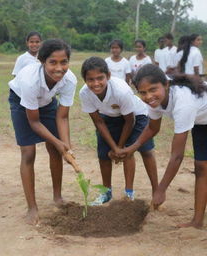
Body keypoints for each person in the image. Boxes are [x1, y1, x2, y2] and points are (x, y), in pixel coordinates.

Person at [120, 64, 207, 229]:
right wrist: (133, 147)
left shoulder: (183, 102)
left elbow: (177, 156)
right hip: (202, 120)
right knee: (201, 167)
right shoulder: (155, 101)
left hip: (200, 117)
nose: (148, 96)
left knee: (202, 166)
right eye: (143, 92)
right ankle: (197, 221)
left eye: (153, 89)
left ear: (166, 84)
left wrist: (160, 189)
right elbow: (152, 128)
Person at [8, 39, 77, 225]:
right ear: (42, 62)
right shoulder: (31, 81)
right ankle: (32, 207)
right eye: (53, 62)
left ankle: (57, 197)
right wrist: (57, 141)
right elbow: (34, 122)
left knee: (56, 150)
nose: (59, 68)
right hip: (21, 102)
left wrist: (66, 146)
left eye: (64, 62)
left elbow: (62, 117)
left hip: (46, 103)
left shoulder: (70, 79)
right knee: (29, 153)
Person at [79, 57, 158, 205]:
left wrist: (120, 148)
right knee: (103, 155)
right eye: (90, 79)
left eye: (100, 78)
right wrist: (114, 148)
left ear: (108, 76)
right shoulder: (84, 93)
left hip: (137, 115)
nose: (96, 83)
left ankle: (133, 193)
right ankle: (106, 192)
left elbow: (129, 121)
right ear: (84, 79)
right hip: (108, 117)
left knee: (137, 151)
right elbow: (98, 121)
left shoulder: (121, 91)